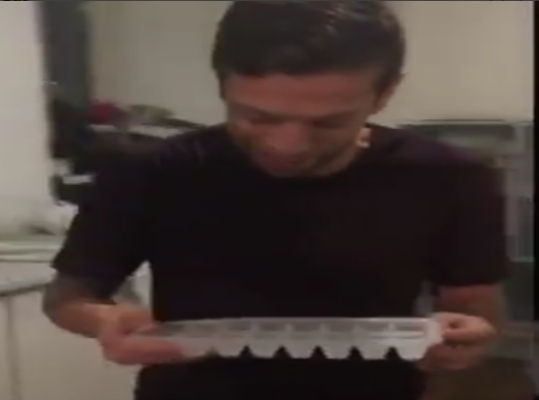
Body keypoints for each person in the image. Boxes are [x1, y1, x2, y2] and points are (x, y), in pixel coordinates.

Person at [43, 2, 508, 399]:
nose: (289, 146)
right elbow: (67, 297)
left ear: (385, 93)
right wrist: (105, 320)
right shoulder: (151, 171)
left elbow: (473, 304)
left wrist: (468, 338)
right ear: (222, 85)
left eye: (328, 122)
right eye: (257, 117)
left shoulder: (449, 177)